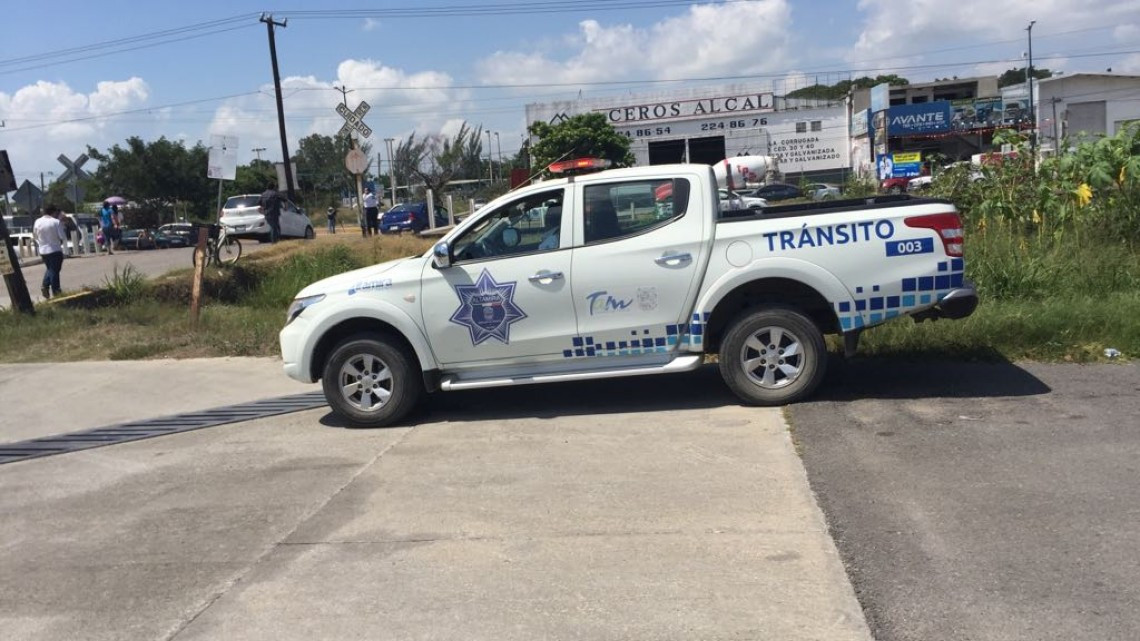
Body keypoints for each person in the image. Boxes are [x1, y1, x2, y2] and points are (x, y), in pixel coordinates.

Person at [33, 205, 68, 299]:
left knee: (50, 269)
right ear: (53, 212)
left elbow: (35, 236)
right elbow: (62, 237)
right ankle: (56, 291)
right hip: (55, 249)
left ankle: (45, 286)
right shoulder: (56, 222)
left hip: (43, 250)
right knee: (55, 271)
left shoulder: (37, 221)